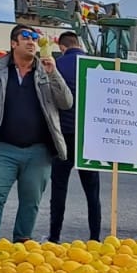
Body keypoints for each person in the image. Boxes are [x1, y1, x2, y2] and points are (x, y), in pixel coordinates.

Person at [0, 23, 74, 243]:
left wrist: (53, 72)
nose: (31, 42)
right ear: (13, 43)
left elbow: (66, 102)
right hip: (1, 149)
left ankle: (21, 244)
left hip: (38, 151)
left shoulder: (45, 70)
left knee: (31, 201)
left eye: (35, 39)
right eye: (26, 37)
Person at [50, 31, 102, 241]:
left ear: (62, 47)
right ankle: (95, 237)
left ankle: (54, 237)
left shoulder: (57, 65)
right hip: (89, 137)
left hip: (63, 135)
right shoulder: (96, 66)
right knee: (92, 192)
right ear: (79, 44)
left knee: (59, 189)